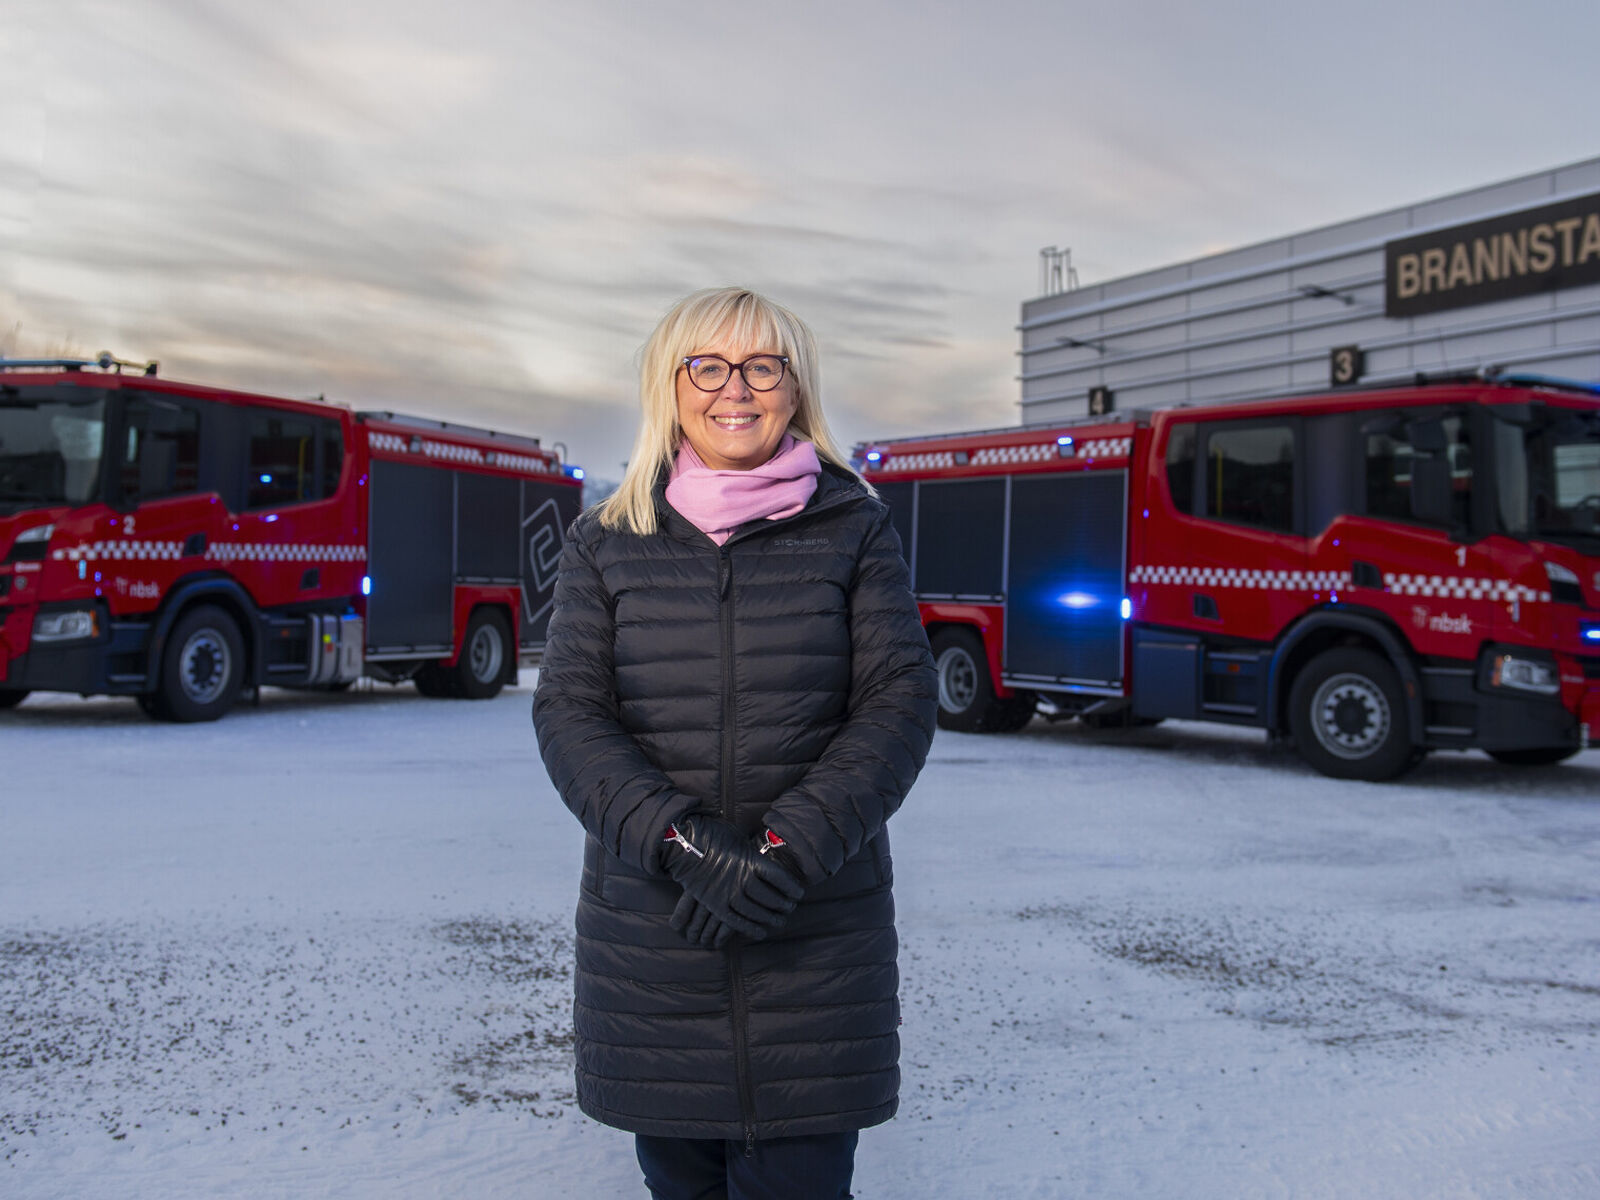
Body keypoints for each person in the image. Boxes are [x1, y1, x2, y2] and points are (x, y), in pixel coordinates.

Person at [532, 286, 937, 1200]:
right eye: (707, 365)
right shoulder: (608, 542)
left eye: (764, 365)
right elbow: (570, 716)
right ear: (669, 386)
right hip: (656, 939)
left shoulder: (853, 527)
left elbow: (898, 702)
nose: (737, 389)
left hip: (815, 935)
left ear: (796, 387)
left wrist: (783, 852)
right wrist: (684, 845)